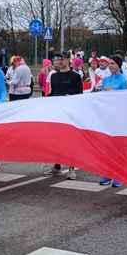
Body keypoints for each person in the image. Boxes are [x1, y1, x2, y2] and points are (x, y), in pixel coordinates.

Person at [43, 52, 83, 180]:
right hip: (57, 113)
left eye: (62, 59)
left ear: (68, 60)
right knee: (56, 140)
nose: (59, 61)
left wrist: (69, 98)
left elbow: (79, 95)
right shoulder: (54, 76)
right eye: (58, 59)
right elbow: (53, 93)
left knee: (70, 142)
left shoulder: (75, 76)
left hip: (70, 114)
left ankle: (71, 168)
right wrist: (44, 100)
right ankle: (57, 166)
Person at [98, 55, 127, 188]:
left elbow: (125, 100)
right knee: (107, 148)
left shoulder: (124, 80)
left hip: (119, 118)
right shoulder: (105, 80)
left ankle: (119, 176)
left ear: (119, 66)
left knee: (118, 148)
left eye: (113, 64)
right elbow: (101, 97)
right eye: (109, 63)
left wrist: (113, 94)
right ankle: (108, 174)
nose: (110, 66)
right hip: (107, 118)